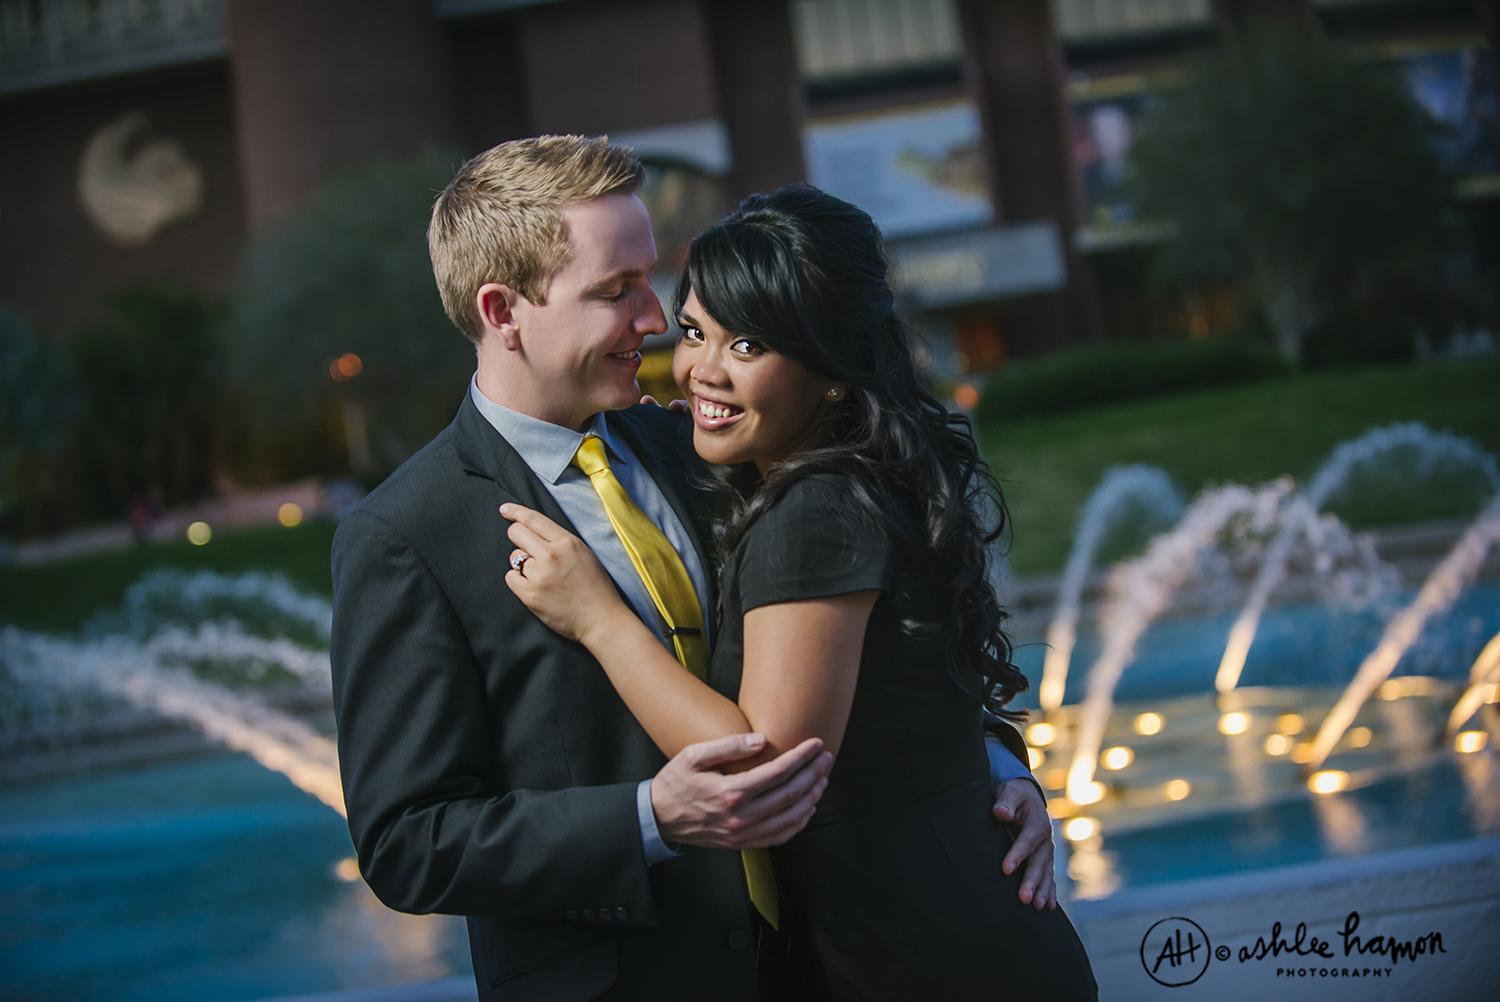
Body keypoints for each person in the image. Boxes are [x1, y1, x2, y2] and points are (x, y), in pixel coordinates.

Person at [331, 137, 1052, 1002]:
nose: (655, 317)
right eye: (615, 290)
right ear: (503, 309)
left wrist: (996, 773)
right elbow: (408, 844)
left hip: (829, 968)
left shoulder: (704, 442)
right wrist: (648, 821)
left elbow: (874, 640)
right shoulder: (405, 535)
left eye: (650, 278)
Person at [500, 184, 1096, 1000]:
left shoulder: (814, 506)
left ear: (832, 370)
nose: (702, 371)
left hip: (922, 961)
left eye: (749, 347)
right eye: (696, 333)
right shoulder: (852, 476)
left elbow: (765, 765)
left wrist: (599, 620)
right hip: (948, 936)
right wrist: (1002, 765)